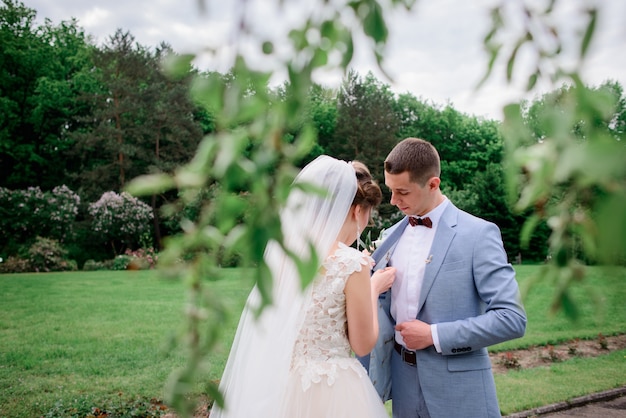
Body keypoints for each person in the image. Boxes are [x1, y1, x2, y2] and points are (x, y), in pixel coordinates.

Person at [211, 155, 397, 418]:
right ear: (357, 211)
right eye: (369, 214)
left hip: (280, 384)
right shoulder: (352, 263)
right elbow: (363, 344)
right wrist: (373, 288)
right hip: (333, 388)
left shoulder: (284, 258)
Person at [360, 138, 527, 418]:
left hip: (459, 390)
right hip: (402, 386)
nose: (393, 201)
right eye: (391, 190)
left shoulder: (478, 234)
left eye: (402, 192)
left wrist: (433, 335)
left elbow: (512, 318)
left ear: (433, 184)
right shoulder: (389, 238)